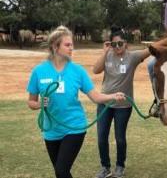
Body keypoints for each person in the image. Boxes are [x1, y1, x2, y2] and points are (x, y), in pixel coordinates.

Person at [27, 26, 125, 178]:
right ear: (55, 46)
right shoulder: (39, 72)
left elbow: (95, 97)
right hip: (51, 130)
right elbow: (31, 102)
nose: (72, 48)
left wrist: (113, 96)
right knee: (61, 173)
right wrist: (40, 104)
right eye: (67, 45)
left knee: (61, 170)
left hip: (74, 127)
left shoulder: (78, 71)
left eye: (72, 44)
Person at [93, 25, 155, 178]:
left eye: (120, 44)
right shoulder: (107, 55)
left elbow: (151, 50)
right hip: (105, 103)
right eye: (114, 44)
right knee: (101, 137)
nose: (117, 47)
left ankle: (120, 166)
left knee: (120, 137)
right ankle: (105, 167)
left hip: (123, 105)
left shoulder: (132, 57)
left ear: (126, 43)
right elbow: (95, 70)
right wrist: (104, 52)